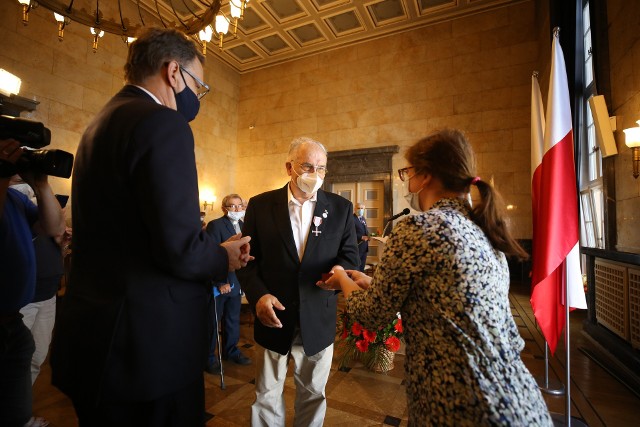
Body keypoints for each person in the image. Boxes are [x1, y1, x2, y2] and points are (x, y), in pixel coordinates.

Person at [49, 28, 252, 427]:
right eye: (199, 85)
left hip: (95, 339)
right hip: (148, 352)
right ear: (173, 72)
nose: (198, 98)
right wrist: (222, 256)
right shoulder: (163, 123)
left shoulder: (100, 124)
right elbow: (180, 248)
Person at [318, 129, 553, 426]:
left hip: (462, 401)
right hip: (518, 398)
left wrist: (341, 278)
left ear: (425, 176)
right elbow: (446, 301)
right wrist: (370, 283)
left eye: (407, 172)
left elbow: (370, 314)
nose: (407, 182)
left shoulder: (419, 228)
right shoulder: (485, 230)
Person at [237, 136, 359, 427]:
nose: (314, 174)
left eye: (321, 168)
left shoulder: (341, 208)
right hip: (272, 316)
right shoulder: (260, 205)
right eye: (307, 166)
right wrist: (258, 297)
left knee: (314, 394)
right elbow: (246, 261)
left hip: (318, 317)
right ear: (289, 167)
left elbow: (350, 256)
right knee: (266, 394)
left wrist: (338, 273)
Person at [1, 139, 64, 427]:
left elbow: (53, 227)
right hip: (13, 309)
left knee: (34, 358)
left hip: (14, 314)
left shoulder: (17, 199)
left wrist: (41, 184)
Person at [11, 177, 67, 386]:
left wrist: (62, 245)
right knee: (14, 361)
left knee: (37, 357)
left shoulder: (40, 203)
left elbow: (54, 241)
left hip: (48, 293)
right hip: (23, 298)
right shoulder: (13, 202)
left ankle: (22, 413)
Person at [205, 194, 252, 374]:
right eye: (232, 206)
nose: (237, 209)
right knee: (213, 322)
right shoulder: (215, 225)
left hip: (236, 282)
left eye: (240, 205)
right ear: (224, 208)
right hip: (220, 283)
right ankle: (209, 358)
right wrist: (219, 281)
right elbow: (212, 256)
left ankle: (230, 351)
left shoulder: (243, 225)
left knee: (232, 320)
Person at [353, 202, 369, 272]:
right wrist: (361, 237)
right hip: (357, 247)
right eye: (358, 208)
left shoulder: (363, 218)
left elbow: (365, 230)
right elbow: (350, 233)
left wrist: (369, 236)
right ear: (355, 209)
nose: (360, 210)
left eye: (362, 208)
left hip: (364, 247)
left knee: (361, 268)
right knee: (356, 268)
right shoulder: (351, 219)